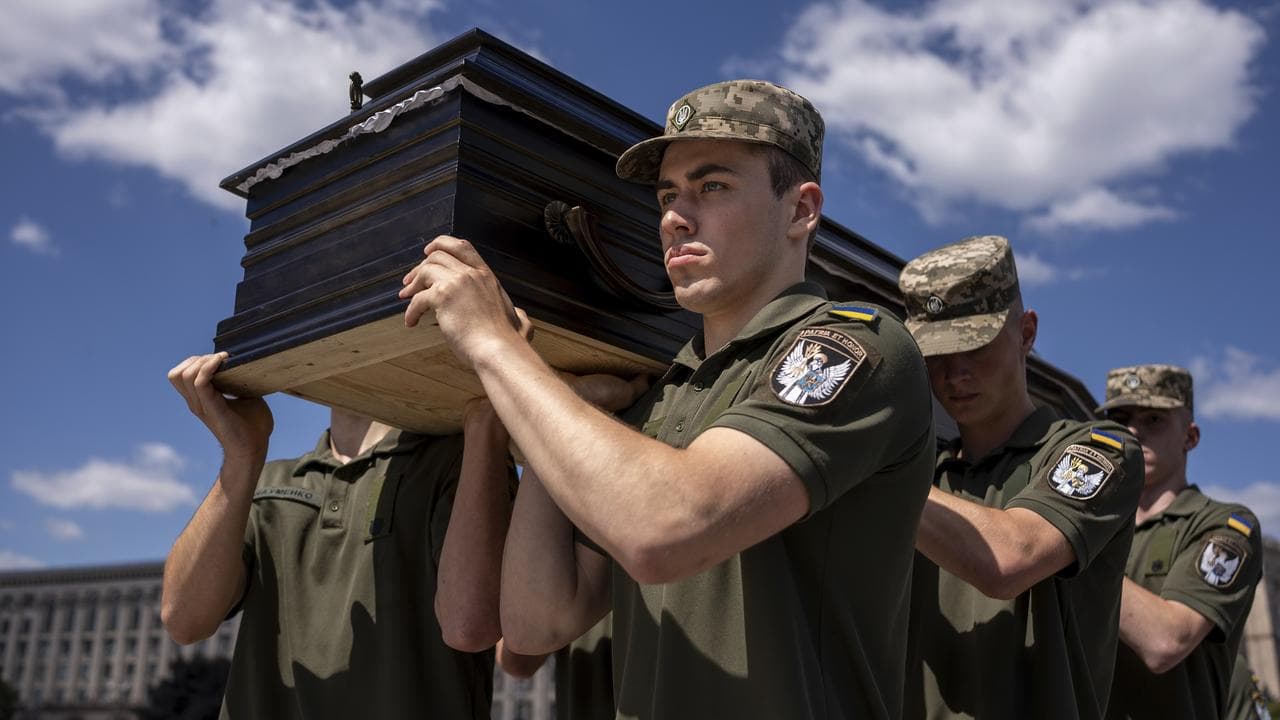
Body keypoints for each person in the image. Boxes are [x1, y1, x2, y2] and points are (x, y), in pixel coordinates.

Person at [398, 79, 936, 719]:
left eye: (713, 187)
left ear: (800, 210)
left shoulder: (852, 348)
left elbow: (666, 529)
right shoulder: (661, 401)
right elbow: (537, 621)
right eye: (668, 196)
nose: (677, 217)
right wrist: (569, 404)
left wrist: (496, 347)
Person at [162, 351, 516, 719]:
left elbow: (471, 627)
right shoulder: (268, 480)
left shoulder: (463, 457)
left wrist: (483, 424)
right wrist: (241, 456)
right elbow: (185, 621)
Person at [898, 235, 1144, 720]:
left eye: (975, 346)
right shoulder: (924, 473)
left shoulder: (1099, 451)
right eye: (936, 353)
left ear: (1026, 332)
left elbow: (1011, 557)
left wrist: (877, 475)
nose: (954, 373)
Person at [1098, 365, 1263, 719]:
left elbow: (1166, 641)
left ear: (1190, 437)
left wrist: (1065, 553)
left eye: (1154, 419)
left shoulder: (1225, 526)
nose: (1132, 431)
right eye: (1120, 418)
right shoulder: (1097, 524)